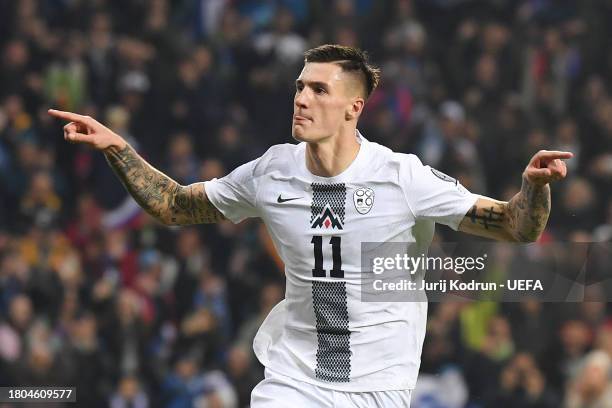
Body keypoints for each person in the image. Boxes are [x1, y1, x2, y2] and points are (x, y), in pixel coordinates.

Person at [48, 44, 572, 407]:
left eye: (319, 90)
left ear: (353, 108)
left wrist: (534, 187)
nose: (302, 98)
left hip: (379, 383)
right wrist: (117, 148)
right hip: (294, 375)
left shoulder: (401, 177)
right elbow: (174, 205)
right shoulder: (270, 170)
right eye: (300, 86)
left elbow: (514, 227)